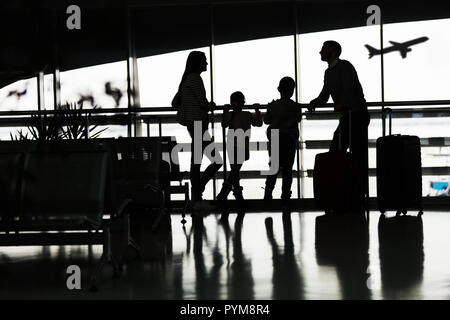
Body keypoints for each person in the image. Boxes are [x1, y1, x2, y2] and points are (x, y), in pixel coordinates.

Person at [308, 40, 370, 210]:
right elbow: (325, 94)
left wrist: (343, 103)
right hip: (348, 115)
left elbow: (350, 90)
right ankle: (344, 195)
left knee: (354, 155)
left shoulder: (345, 66)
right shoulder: (329, 72)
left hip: (356, 114)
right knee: (338, 152)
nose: (320, 52)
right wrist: (315, 102)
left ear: (333, 50)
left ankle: (358, 197)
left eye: (323, 49)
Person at [173, 51, 222, 201]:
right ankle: (197, 191)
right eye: (205, 61)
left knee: (197, 159)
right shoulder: (195, 78)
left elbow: (175, 103)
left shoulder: (187, 79)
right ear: (198, 63)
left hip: (193, 124)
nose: (207, 63)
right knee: (214, 161)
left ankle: (197, 192)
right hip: (198, 123)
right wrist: (210, 105)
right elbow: (203, 103)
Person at [217, 91, 262, 201]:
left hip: (231, 145)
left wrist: (225, 112)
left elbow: (224, 124)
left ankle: (231, 191)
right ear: (244, 103)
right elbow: (259, 123)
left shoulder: (230, 114)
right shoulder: (247, 114)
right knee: (235, 170)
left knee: (234, 169)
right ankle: (233, 192)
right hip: (243, 145)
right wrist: (257, 110)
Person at [263, 77, 302, 202]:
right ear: (292, 91)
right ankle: (285, 195)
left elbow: (266, 120)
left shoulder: (273, 106)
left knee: (273, 167)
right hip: (289, 139)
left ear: (279, 89)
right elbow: (298, 119)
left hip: (275, 138)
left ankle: (268, 193)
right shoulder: (295, 106)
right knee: (287, 169)